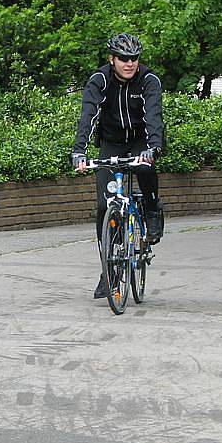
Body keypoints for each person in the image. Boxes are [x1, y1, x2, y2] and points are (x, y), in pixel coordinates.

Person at [71, 32, 165, 300]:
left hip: (140, 141)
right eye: (123, 58)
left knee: (145, 168)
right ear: (112, 59)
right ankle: (108, 269)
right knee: (104, 205)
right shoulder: (99, 81)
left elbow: (154, 117)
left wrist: (152, 147)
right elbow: (88, 116)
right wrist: (80, 151)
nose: (129, 63)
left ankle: (151, 210)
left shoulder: (148, 80)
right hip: (111, 143)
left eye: (134, 58)